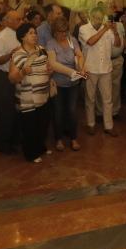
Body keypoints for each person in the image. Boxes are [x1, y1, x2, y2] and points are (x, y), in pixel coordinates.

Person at [9, 23, 53, 162]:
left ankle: (40, 147)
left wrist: (50, 71)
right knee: (30, 128)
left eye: (35, 33)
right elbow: (11, 78)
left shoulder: (41, 50)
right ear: (22, 37)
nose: (35, 35)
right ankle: (31, 153)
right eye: (30, 33)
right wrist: (22, 72)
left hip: (43, 95)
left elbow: (47, 68)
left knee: (42, 125)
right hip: (27, 98)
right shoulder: (18, 54)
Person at [79, 7, 120, 136]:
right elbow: (91, 42)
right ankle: (91, 124)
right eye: (96, 18)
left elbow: (117, 44)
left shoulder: (107, 29)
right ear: (90, 17)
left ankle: (109, 126)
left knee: (107, 99)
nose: (98, 20)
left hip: (106, 69)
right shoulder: (83, 29)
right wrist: (105, 29)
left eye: (100, 18)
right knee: (90, 98)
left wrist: (116, 32)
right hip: (90, 68)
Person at [46, 16, 85, 152]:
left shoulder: (72, 40)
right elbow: (53, 64)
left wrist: (80, 68)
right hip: (58, 84)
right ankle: (59, 139)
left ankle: (74, 138)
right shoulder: (51, 43)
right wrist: (71, 72)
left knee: (72, 111)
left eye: (65, 31)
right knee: (58, 112)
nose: (63, 34)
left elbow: (79, 55)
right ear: (54, 32)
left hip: (73, 84)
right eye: (60, 32)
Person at [0, 10, 23, 154]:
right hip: (3, 76)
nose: (20, 21)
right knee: (6, 112)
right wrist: (11, 54)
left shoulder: (18, 34)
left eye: (20, 19)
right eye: (17, 19)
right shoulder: (1, 37)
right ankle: (4, 145)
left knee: (15, 110)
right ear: (8, 20)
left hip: (15, 75)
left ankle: (14, 140)